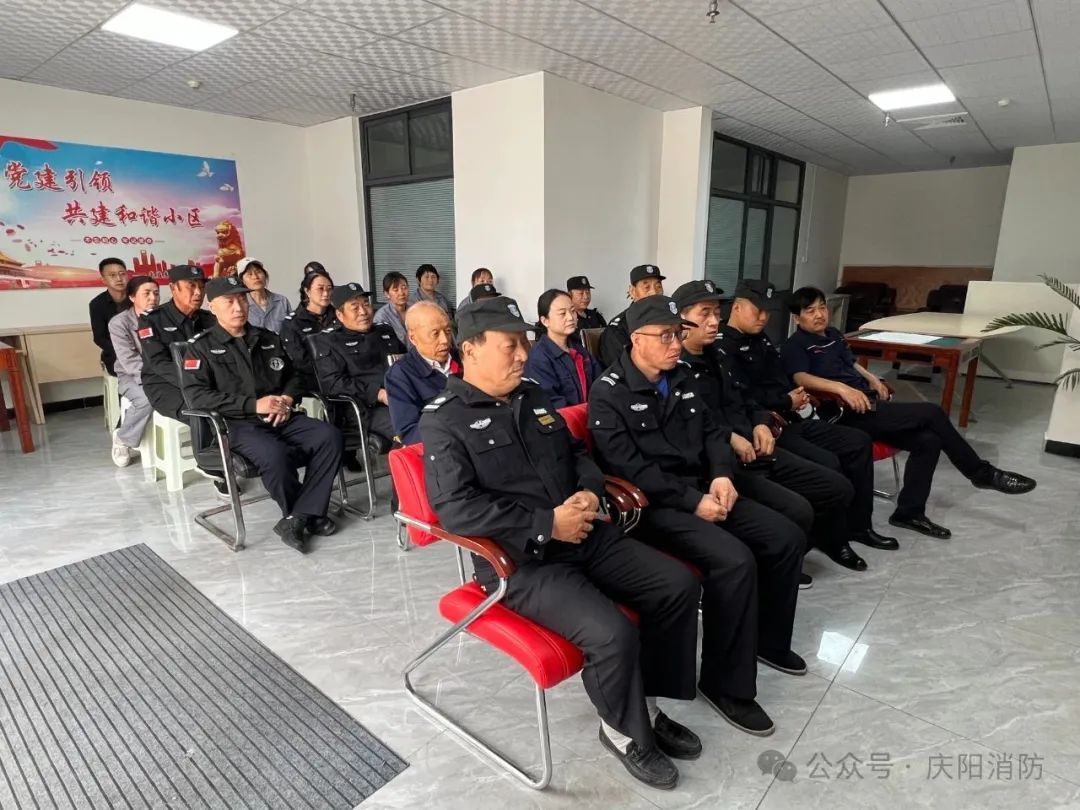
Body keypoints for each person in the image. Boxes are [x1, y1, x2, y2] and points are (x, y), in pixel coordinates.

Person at [421, 296, 702, 790]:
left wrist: (589, 493)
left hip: (586, 533)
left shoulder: (532, 395)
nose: (522, 355)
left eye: (524, 343)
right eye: (510, 345)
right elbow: (456, 509)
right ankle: (622, 733)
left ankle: (649, 708)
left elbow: (576, 453)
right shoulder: (445, 419)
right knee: (612, 634)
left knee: (676, 585)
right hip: (522, 562)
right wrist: (547, 523)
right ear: (472, 349)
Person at [589, 295, 807, 738]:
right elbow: (631, 469)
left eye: (678, 334)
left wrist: (722, 474)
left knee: (784, 536)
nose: (676, 344)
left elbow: (712, 434)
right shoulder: (608, 393)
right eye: (666, 336)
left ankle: (766, 641)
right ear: (636, 340)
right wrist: (693, 501)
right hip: (655, 507)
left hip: (706, 488)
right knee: (735, 560)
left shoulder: (682, 376)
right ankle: (725, 684)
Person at [782, 286, 1037, 538]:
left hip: (869, 404)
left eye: (822, 307)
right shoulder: (795, 345)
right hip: (845, 413)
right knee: (932, 413)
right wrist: (840, 388)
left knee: (928, 440)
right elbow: (800, 377)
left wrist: (873, 378)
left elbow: (851, 363)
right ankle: (981, 473)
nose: (819, 314)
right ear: (797, 318)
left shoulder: (834, 335)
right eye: (810, 311)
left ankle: (909, 513)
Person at [671, 280, 866, 573]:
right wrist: (732, 437)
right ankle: (785, 557)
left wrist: (761, 423)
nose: (714, 322)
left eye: (716, 313)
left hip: (759, 442)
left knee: (837, 487)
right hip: (728, 460)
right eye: (704, 314)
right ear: (681, 320)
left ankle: (813, 545)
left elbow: (745, 399)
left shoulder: (717, 356)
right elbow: (697, 424)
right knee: (795, 509)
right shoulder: (676, 367)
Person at [715, 279, 898, 554]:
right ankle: (833, 539)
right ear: (737, 308)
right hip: (770, 425)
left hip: (795, 415)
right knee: (829, 463)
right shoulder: (723, 347)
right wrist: (786, 400)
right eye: (757, 310)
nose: (764, 317)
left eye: (767, 311)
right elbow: (743, 398)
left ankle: (860, 526)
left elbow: (779, 378)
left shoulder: (761, 338)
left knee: (858, 441)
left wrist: (798, 395)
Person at [182, 276, 344, 552]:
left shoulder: (267, 338)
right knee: (276, 454)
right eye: (229, 302)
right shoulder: (200, 347)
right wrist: (253, 405)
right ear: (213, 307)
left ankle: (298, 517)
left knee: (329, 436)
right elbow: (197, 396)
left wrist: (287, 398)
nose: (238, 307)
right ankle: (306, 515)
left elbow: (294, 376)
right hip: (239, 424)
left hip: (283, 415)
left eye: (242, 300)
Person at [313, 282, 405, 448]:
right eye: (355, 307)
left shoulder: (384, 331)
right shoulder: (329, 341)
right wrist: (378, 393)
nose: (363, 312)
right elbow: (334, 384)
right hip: (364, 408)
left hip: (401, 397)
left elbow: (407, 361)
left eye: (366, 305)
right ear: (340, 315)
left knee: (440, 418)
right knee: (410, 427)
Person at [138, 264, 216, 424]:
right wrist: (196, 382)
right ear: (173, 288)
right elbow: (159, 363)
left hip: (207, 382)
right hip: (165, 384)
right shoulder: (152, 319)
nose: (198, 292)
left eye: (202, 287)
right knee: (204, 415)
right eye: (191, 286)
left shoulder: (210, 319)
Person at [385, 301, 457, 446]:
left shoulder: (465, 358)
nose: (445, 340)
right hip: (440, 446)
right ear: (413, 338)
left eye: (448, 331)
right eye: (435, 334)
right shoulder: (400, 374)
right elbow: (409, 431)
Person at [107, 275, 158, 466]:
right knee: (147, 399)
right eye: (147, 293)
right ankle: (123, 438)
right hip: (131, 374)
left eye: (156, 293)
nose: (153, 298)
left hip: (163, 371)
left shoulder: (162, 317)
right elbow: (129, 360)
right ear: (132, 297)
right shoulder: (119, 323)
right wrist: (155, 380)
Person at [524, 288, 601, 409]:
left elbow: (600, 384)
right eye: (562, 313)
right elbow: (553, 404)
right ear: (545, 321)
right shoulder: (539, 358)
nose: (570, 317)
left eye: (572, 311)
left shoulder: (579, 350)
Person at [279, 264, 335, 397]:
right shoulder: (292, 323)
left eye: (329, 289)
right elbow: (300, 362)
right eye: (320, 289)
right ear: (307, 291)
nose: (326, 293)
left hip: (343, 377)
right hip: (313, 382)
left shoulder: (340, 316)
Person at [598, 264, 665, 367]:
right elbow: (621, 369)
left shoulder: (667, 320)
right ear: (633, 291)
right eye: (646, 287)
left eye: (658, 286)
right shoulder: (617, 329)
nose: (654, 292)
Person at [89, 258, 129, 376]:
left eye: (122, 274)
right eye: (112, 275)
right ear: (103, 280)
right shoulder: (97, 304)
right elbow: (99, 338)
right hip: (115, 356)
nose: (119, 278)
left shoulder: (137, 298)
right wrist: (124, 350)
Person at [237, 257, 291, 333]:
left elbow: (291, 329)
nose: (255, 277)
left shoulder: (282, 301)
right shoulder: (240, 305)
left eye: (258, 272)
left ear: (265, 275)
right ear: (242, 281)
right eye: (249, 274)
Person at [373, 271, 411, 346]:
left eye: (404, 288)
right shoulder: (381, 317)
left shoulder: (416, 310)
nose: (401, 293)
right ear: (387, 294)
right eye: (396, 290)